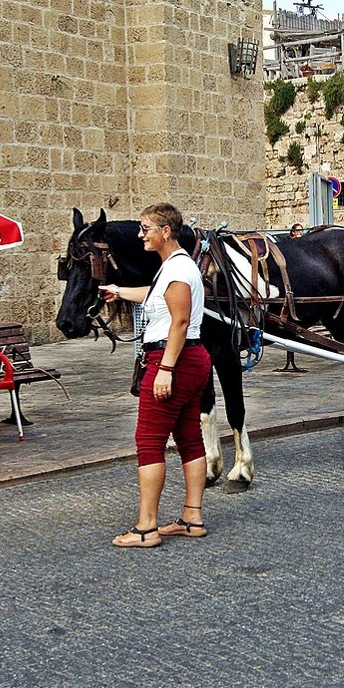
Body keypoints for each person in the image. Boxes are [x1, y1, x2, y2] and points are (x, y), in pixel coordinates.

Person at [100, 202, 212, 548]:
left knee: (149, 441)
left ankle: (146, 527)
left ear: (165, 231)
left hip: (172, 358)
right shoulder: (175, 266)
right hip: (191, 359)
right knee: (189, 437)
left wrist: (165, 369)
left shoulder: (177, 270)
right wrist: (119, 291)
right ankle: (192, 518)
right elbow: (155, 296)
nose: (140, 235)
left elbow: (179, 321)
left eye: (145, 228)